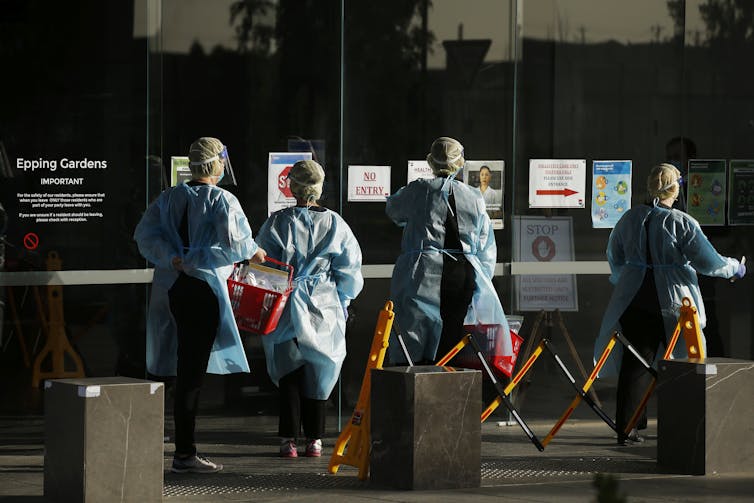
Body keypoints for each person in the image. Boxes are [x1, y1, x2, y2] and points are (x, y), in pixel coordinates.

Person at [134, 137, 266, 473]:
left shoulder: (169, 197)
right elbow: (236, 242)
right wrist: (254, 252)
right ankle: (184, 453)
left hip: (173, 287)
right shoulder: (222, 200)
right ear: (218, 164)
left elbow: (145, 236)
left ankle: (177, 447)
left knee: (177, 368)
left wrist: (174, 258)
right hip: (204, 289)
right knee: (191, 372)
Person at [593, 163, 745, 445]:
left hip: (635, 302)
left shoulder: (630, 218)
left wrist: (625, 279)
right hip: (676, 306)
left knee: (635, 366)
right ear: (675, 189)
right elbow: (709, 262)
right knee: (685, 366)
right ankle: (687, 427)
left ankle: (628, 428)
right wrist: (734, 268)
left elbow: (614, 254)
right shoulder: (681, 222)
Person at [255, 160, 363, 458]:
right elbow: (350, 270)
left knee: (288, 371)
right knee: (320, 371)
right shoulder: (335, 223)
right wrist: (343, 301)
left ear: (291, 185)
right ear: (320, 186)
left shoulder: (277, 222)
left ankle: (288, 439)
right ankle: (315, 439)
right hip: (323, 305)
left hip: (285, 303)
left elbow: (261, 266)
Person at [386, 136, 511, 364]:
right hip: (460, 275)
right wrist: (481, 279)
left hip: (422, 274)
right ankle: (448, 390)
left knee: (416, 339)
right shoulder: (474, 197)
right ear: (460, 162)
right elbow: (485, 245)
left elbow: (393, 210)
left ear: (431, 162)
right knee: (452, 340)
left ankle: (421, 389)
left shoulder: (418, 190)